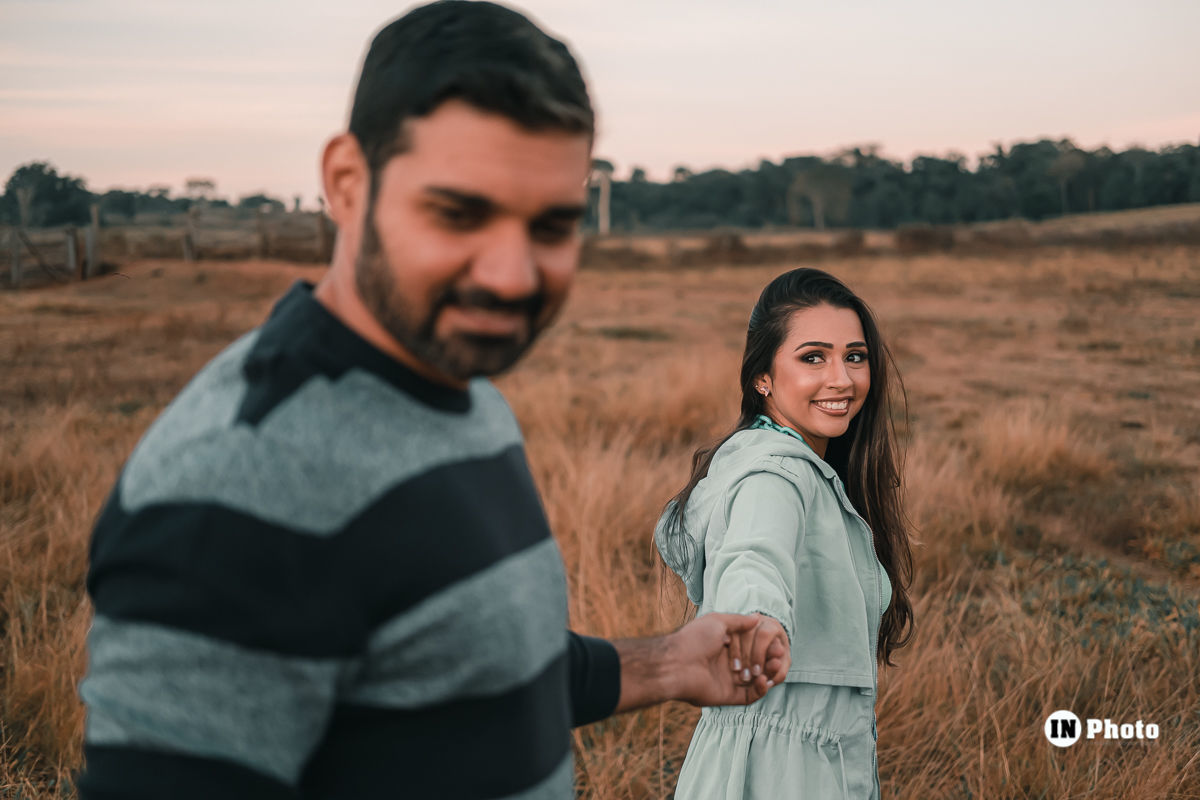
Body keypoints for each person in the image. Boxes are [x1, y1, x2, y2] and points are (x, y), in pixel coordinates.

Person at [76, 3, 790, 799]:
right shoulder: (233, 488)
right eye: (459, 214)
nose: (512, 275)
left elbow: (467, 667)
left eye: (551, 225)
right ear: (347, 183)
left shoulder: (457, 389)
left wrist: (667, 662)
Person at [654, 267, 915, 800]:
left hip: (802, 761)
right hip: (778, 773)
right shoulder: (775, 476)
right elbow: (754, 558)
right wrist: (754, 623)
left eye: (855, 356)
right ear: (762, 377)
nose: (841, 379)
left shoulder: (801, 467)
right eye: (813, 357)